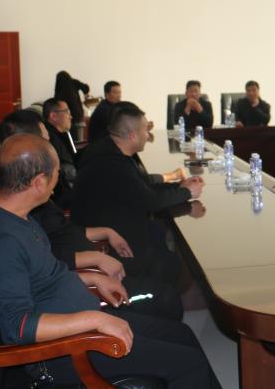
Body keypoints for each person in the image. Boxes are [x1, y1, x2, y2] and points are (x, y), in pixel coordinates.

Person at [0, 134, 240, 389]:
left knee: (181, 334)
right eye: (55, 176)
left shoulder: (16, 217)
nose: (57, 184)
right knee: (185, 364)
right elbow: (19, 327)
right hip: (64, 352)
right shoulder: (0, 241)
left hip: (79, 328)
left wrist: (91, 278)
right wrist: (97, 319)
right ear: (38, 182)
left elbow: (43, 276)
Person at [0, 109, 186, 321]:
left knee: (159, 248)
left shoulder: (27, 203)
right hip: (82, 287)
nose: (51, 146)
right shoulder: (10, 223)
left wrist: (105, 233)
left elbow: (56, 239)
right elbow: (25, 314)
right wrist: (94, 262)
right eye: (46, 141)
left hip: (86, 263)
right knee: (166, 294)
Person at [71, 102, 204, 281]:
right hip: (108, 242)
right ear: (133, 135)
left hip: (114, 224)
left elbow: (143, 185)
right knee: (171, 263)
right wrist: (187, 193)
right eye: (145, 130)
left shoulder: (111, 150)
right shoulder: (111, 163)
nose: (148, 135)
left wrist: (180, 186)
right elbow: (151, 201)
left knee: (160, 233)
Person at [41, 97, 78, 207]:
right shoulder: (49, 139)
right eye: (67, 112)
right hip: (62, 195)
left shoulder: (62, 133)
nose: (70, 116)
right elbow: (65, 170)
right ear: (53, 116)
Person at [54, 70, 89, 142]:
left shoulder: (59, 89)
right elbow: (86, 88)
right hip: (78, 117)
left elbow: (57, 103)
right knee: (79, 142)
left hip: (66, 120)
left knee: (70, 141)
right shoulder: (73, 82)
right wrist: (85, 94)